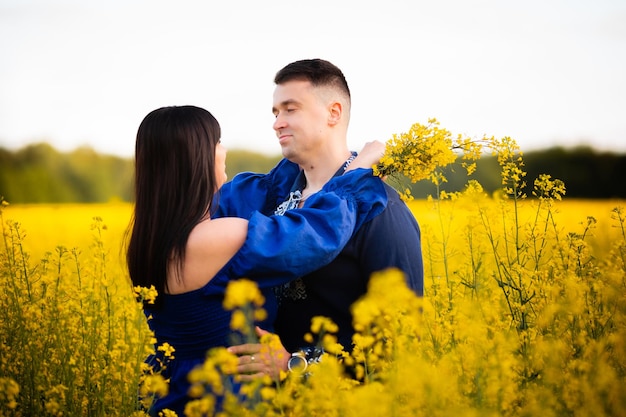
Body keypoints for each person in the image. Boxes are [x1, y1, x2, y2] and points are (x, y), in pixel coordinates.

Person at [126, 105, 388, 416]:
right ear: (198, 157)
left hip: (172, 390)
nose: (223, 150)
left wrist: (301, 156)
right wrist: (356, 171)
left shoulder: (148, 242)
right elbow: (316, 234)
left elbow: (260, 192)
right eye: (217, 141)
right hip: (226, 393)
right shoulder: (220, 237)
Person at [218, 59, 424, 379]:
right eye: (275, 113)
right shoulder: (274, 197)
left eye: (290, 109)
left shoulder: (383, 212)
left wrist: (294, 366)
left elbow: (398, 346)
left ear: (334, 113)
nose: (277, 123)